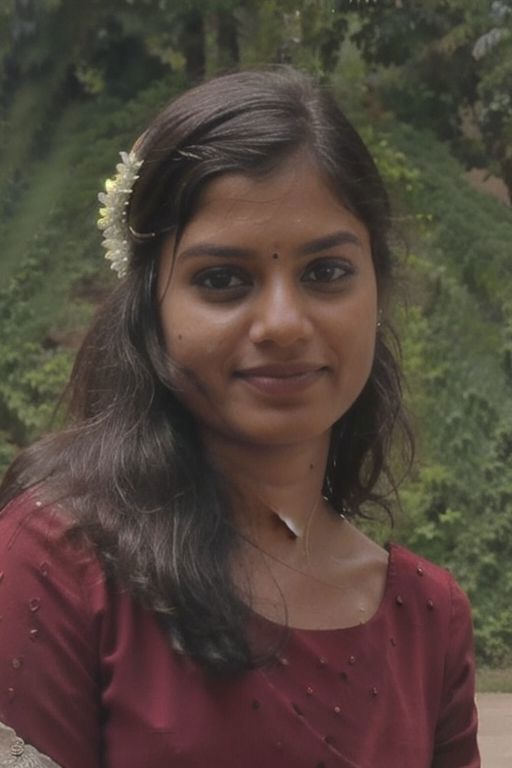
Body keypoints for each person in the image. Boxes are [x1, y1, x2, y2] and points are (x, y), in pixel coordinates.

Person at [0, 67, 479, 768]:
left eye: (326, 272)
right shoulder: (57, 568)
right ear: (152, 309)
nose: (283, 324)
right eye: (222, 279)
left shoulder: (428, 619)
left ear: (377, 287)